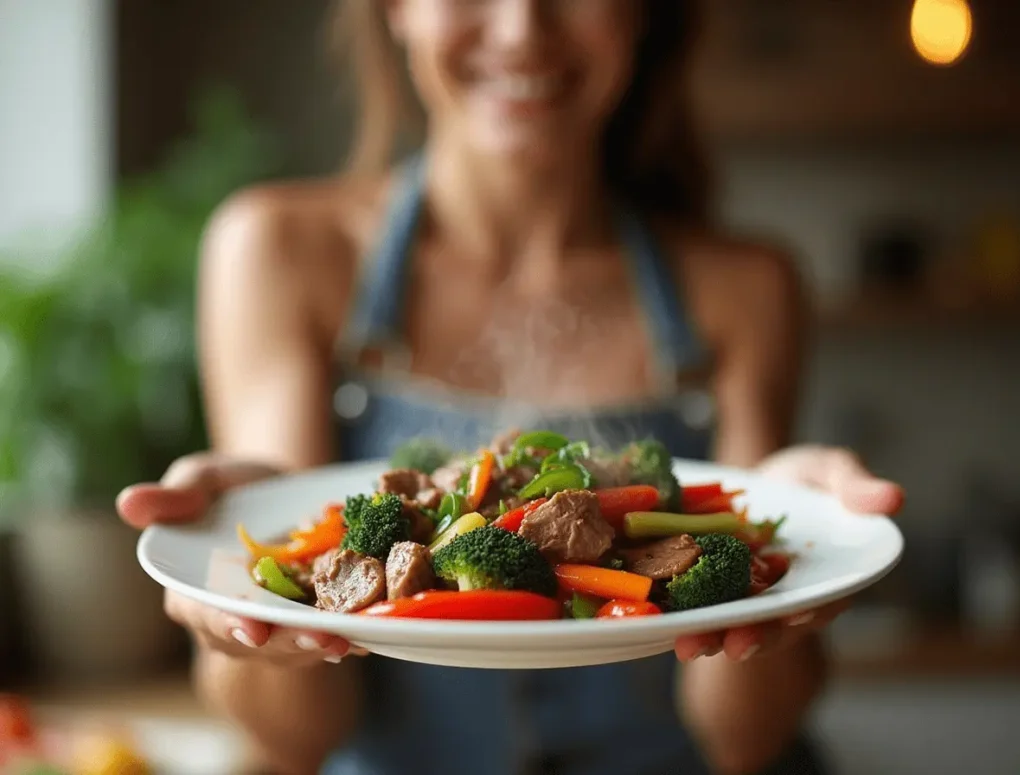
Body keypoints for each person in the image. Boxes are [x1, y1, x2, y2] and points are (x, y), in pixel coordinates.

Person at [117, 2, 904, 774]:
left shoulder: (746, 289)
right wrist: (241, 597)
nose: (522, 27)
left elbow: (746, 743)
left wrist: (785, 571)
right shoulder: (280, 253)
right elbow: (295, 743)